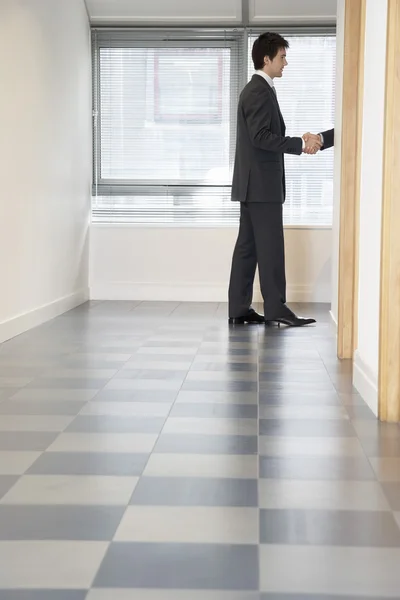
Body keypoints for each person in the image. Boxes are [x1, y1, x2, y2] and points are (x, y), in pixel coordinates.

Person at [228, 32, 320, 327]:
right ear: (266, 59)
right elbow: (260, 137)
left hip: (254, 185)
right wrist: (297, 143)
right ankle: (276, 309)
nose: (285, 62)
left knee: (248, 248)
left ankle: (239, 309)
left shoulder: (261, 89)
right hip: (261, 186)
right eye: (281, 57)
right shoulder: (258, 90)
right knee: (269, 247)